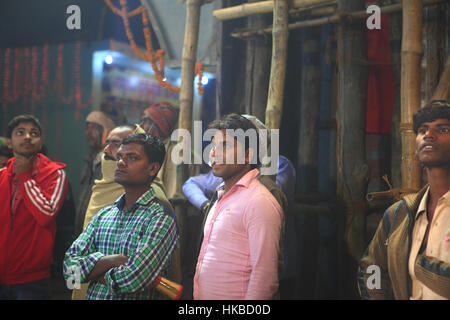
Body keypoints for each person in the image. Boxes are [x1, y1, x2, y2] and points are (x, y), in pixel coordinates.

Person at [70, 124, 181, 300]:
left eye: (132, 157)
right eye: (120, 156)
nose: (119, 161)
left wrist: (90, 273)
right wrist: (110, 261)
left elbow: (134, 279)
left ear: (152, 168)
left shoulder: (159, 216)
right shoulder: (104, 214)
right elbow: (70, 273)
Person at [358, 100, 450, 300]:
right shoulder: (400, 213)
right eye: (422, 130)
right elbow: (372, 266)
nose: (428, 135)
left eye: (442, 129)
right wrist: (376, 296)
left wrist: (418, 263)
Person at [193, 114, 283, 300]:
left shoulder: (258, 202)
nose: (213, 153)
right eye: (213, 145)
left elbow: (265, 277)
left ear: (248, 154)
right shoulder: (221, 195)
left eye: (224, 146)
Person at [0, 114, 68, 300]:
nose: (27, 137)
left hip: (32, 279)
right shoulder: (2, 175)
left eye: (34, 133)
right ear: (9, 142)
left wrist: (25, 178)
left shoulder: (55, 174)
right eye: (20, 132)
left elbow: (46, 214)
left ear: (40, 141)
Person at [75, 111, 115, 237]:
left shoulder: (111, 164)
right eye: (88, 128)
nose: (89, 132)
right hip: (82, 230)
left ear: (106, 132)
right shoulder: (89, 161)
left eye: (95, 128)